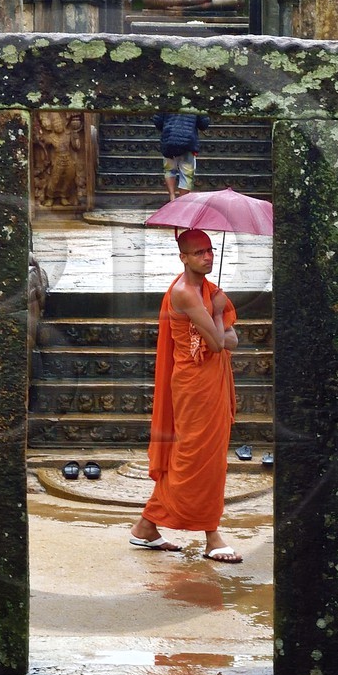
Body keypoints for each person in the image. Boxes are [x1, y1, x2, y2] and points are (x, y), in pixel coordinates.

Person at [129, 228, 242, 562]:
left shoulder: (209, 290)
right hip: (193, 384)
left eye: (209, 251)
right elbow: (219, 342)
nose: (207, 257)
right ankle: (212, 535)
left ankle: (146, 527)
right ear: (183, 257)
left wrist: (217, 315)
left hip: (212, 378)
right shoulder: (185, 293)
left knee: (208, 455)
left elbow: (232, 340)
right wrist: (218, 311)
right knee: (194, 457)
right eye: (198, 252)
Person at [153, 110, 209, 201]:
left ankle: (172, 196)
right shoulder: (196, 102)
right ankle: (182, 201)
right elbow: (204, 124)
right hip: (188, 142)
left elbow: (157, 121)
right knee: (186, 174)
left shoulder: (166, 100)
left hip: (169, 140)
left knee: (169, 170)